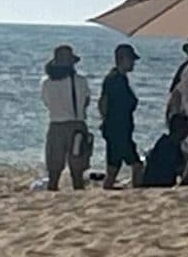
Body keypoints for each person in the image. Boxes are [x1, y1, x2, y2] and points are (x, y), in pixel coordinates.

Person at [40, 44, 91, 191]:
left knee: (54, 168)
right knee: (77, 168)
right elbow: (86, 101)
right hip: (77, 125)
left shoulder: (46, 82)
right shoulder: (81, 81)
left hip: (56, 124)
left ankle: (53, 190)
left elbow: (46, 102)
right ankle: (78, 192)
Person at [99, 44, 144, 189]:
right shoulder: (115, 79)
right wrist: (107, 121)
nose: (133, 63)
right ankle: (136, 190)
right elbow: (104, 103)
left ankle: (111, 188)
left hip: (119, 129)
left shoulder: (119, 78)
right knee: (135, 165)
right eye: (131, 60)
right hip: (118, 130)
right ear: (122, 59)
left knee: (114, 166)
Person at [142, 114, 188, 187]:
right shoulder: (169, 146)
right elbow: (177, 168)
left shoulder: (166, 142)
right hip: (159, 184)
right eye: (186, 128)